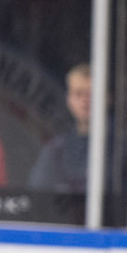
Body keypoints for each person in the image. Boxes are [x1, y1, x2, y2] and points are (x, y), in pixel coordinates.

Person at [28, 64, 92, 193]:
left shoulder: (121, 149)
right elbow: (38, 196)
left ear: (108, 98)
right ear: (69, 100)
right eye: (78, 94)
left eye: (91, 94)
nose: (85, 100)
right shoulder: (55, 149)